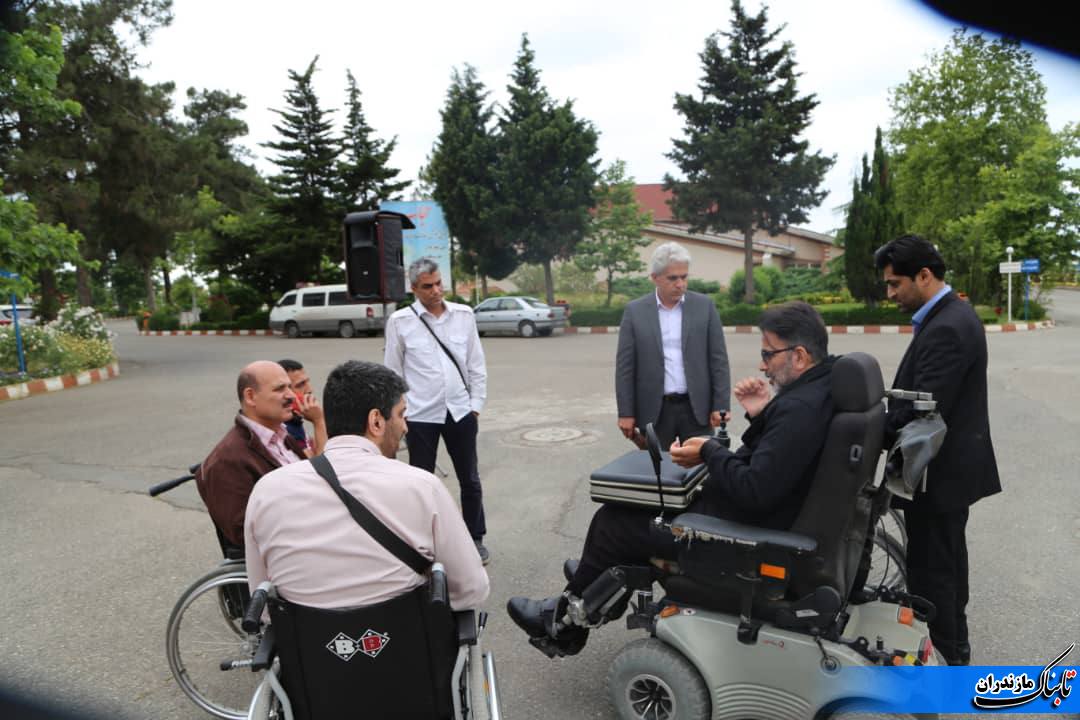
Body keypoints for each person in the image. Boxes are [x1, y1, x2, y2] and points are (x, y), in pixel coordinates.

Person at [508, 302, 835, 654]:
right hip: (753, 517)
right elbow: (776, 462)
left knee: (613, 524)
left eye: (768, 354)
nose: (762, 365)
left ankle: (562, 625)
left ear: (799, 356)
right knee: (635, 508)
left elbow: (755, 490)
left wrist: (709, 450)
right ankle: (597, 579)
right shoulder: (819, 391)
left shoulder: (799, 409)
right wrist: (760, 414)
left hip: (744, 537)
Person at [244, 360, 490, 610]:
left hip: (304, 634)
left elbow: (261, 602)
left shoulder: (267, 491)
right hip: (406, 631)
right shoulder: (423, 487)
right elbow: (471, 589)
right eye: (401, 414)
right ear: (376, 421)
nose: (405, 426)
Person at [875, 234, 1001, 666]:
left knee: (934, 575)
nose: (890, 293)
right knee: (945, 566)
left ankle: (948, 661)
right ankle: (954, 650)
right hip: (945, 472)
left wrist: (866, 428)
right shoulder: (948, 316)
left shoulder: (948, 326)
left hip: (938, 473)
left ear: (924, 276)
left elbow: (922, 409)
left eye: (895, 283)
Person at [384, 257, 491, 565]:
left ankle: (475, 538)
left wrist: (475, 406)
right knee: (421, 483)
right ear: (414, 288)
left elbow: (476, 363)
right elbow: (393, 371)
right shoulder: (400, 321)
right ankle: (423, 544)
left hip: (460, 411)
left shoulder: (463, 315)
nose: (435, 290)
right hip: (420, 416)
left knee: (470, 478)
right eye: (427, 286)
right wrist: (401, 413)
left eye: (438, 283)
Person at [616, 241, 731, 449]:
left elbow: (718, 360)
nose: (680, 284)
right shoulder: (635, 311)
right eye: (673, 278)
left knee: (702, 464)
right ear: (655, 278)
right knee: (658, 467)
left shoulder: (704, 306)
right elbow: (625, 367)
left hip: (697, 409)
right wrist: (626, 412)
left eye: (684, 277)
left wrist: (721, 405)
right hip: (655, 411)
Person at [195, 361, 306, 551]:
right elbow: (242, 532)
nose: (291, 395)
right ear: (250, 397)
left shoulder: (282, 436)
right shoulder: (227, 460)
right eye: (280, 389)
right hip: (291, 552)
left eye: (289, 387)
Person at [277, 358, 327, 457]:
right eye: (300, 385)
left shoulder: (294, 421)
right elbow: (322, 463)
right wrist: (318, 421)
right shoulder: (285, 429)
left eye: (307, 382)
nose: (309, 390)